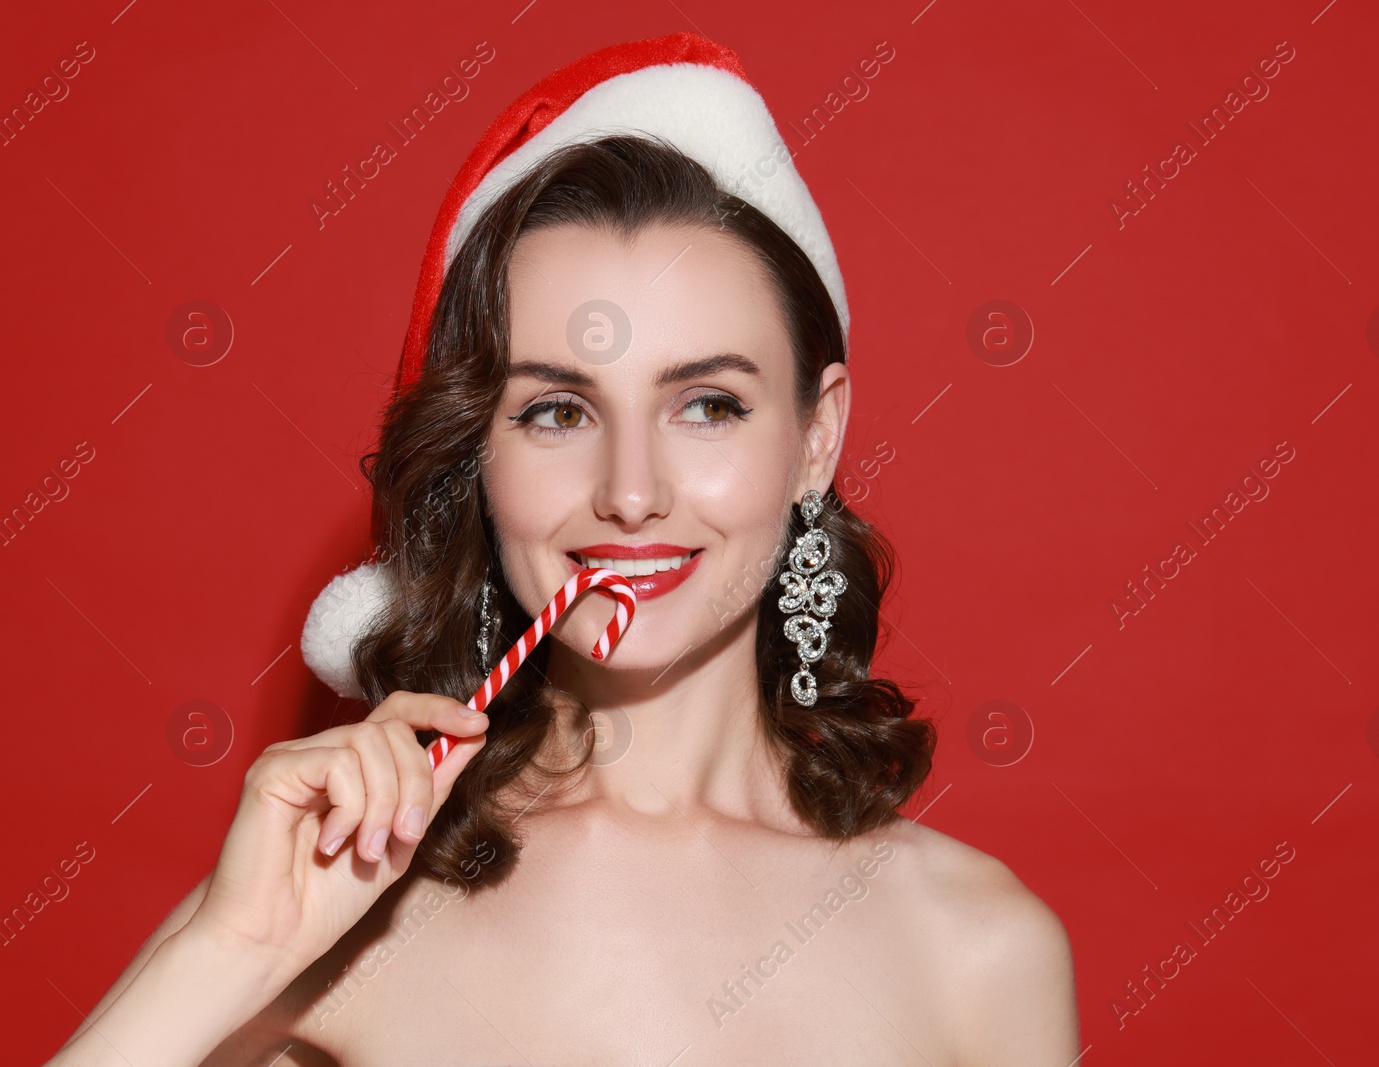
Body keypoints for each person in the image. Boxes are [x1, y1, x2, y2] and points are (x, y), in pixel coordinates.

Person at [48, 32, 1079, 1066]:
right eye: (555, 412)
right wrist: (230, 950)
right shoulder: (339, 909)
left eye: (708, 404)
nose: (630, 493)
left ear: (816, 436)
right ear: (478, 457)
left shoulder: (978, 948)